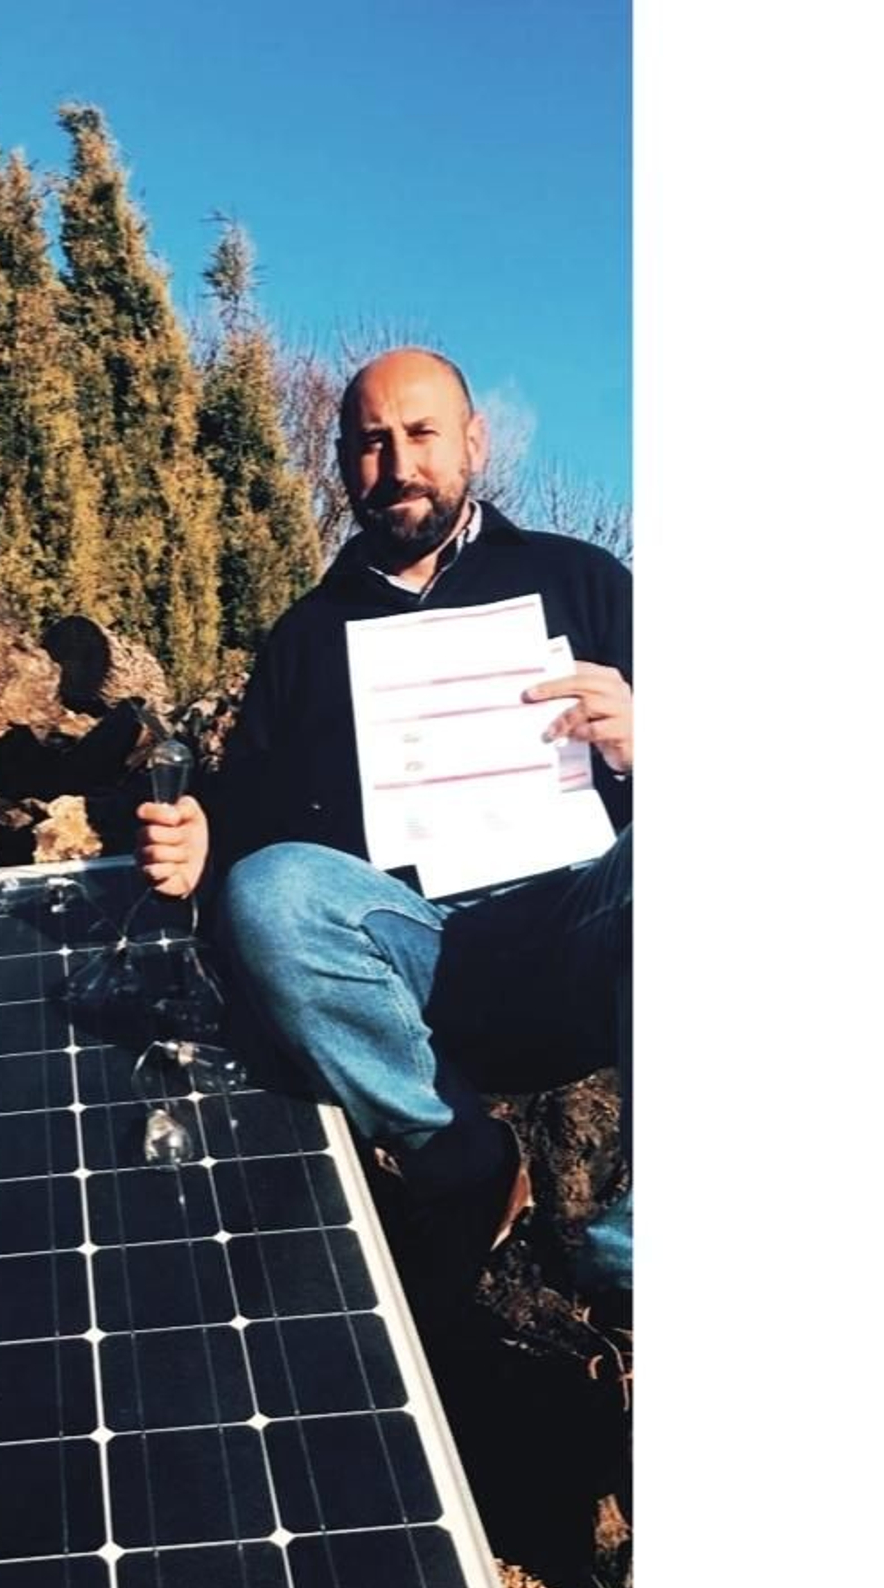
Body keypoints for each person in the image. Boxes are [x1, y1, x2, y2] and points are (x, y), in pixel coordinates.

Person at [136, 346, 632, 1337]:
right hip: (419, 961)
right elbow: (255, 838)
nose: (397, 464)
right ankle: (457, 1157)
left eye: (420, 434)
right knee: (272, 892)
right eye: (369, 442)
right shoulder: (307, 638)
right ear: (340, 460)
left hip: (592, 940)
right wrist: (201, 846)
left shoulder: (580, 580)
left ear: (472, 444)